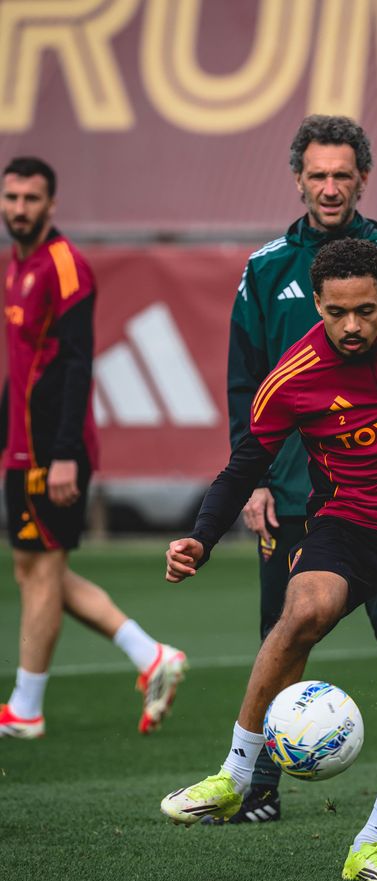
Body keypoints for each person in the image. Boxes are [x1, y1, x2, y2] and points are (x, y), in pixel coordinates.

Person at [161, 239, 377, 881]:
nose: (350, 326)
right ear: (317, 303)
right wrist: (201, 537)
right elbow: (242, 468)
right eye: (335, 312)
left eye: (365, 311)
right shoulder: (292, 378)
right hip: (348, 525)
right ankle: (236, 776)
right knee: (305, 609)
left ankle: (371, 843)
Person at [222, 114, 377, 828]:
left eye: (341, 175)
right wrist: (254, 478)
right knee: (282, 634)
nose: (328, 187)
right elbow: (244, 381)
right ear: (298, 179)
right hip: (290, 490)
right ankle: (257, 786)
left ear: (361, 179)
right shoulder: (264, 269)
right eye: (316, 174)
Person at [0, 156, 188, 739]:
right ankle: (151, 656)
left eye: (31, 198)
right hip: (22, 447)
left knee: (42, 571)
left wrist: (62, 454)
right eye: (11, 197)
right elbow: (25, 369)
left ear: (51, 204)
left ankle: (25, 709)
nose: (19, 208)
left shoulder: (64, 265)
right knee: (35, 569)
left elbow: (78, 363)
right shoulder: (16, 265)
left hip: (52, 452)